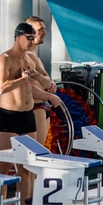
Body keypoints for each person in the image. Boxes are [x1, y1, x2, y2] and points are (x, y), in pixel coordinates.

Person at [0, 23, 46, 205]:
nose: (32, 41)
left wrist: (38, 77)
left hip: (28, 116)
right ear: (18, 37)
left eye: (34, 38)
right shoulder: (4, 59)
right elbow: (0, 88)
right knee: (4, 166)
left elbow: (47, 82)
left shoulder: (31, 58)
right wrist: (22, 80)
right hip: (10, 116)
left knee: (26, 167)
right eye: (29, 37)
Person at [24, 16, 62, 150]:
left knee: (41, 151)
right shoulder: (25, 55)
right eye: (40, 30)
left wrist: (50, 83)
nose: (44, 33)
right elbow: (25, 86)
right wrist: (50, 96)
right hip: (34, 107)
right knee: (35, 152)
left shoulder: (33, 54)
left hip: (43, 106)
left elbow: (42, 79)